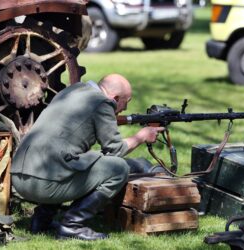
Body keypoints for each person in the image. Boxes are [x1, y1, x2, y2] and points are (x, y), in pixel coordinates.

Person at [10, 74, 164, 240]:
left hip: (19, 178)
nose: (125, 108)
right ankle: (71, 225)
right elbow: (115, 150)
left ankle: (41, 221)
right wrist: (141, 136)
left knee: (66, 160)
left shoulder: (71, 91)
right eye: (126, 101)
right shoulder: (102, 103)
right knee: (118, 168)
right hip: (43, 184)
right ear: (115, 97)